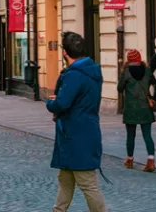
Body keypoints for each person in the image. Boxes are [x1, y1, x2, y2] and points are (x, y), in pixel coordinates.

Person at [45, 32, 105, 212]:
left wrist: (51, 102)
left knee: (87, 184)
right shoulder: (92, 70)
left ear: (65, 53)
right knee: (65, 180)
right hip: (82, 132)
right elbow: (78, 98)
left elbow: (62, 103)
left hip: (76, 135)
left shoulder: (74, 75)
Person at [118, 49, 156, 173]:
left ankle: (130, 159)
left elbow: (119, 88)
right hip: (145, 107)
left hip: (131, 108)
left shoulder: (126, 72)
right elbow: (155, 82)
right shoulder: (147, 71)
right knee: (147, 135)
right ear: (140, 59)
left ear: (128, 60)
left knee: (131, 135)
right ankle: (151, 160)